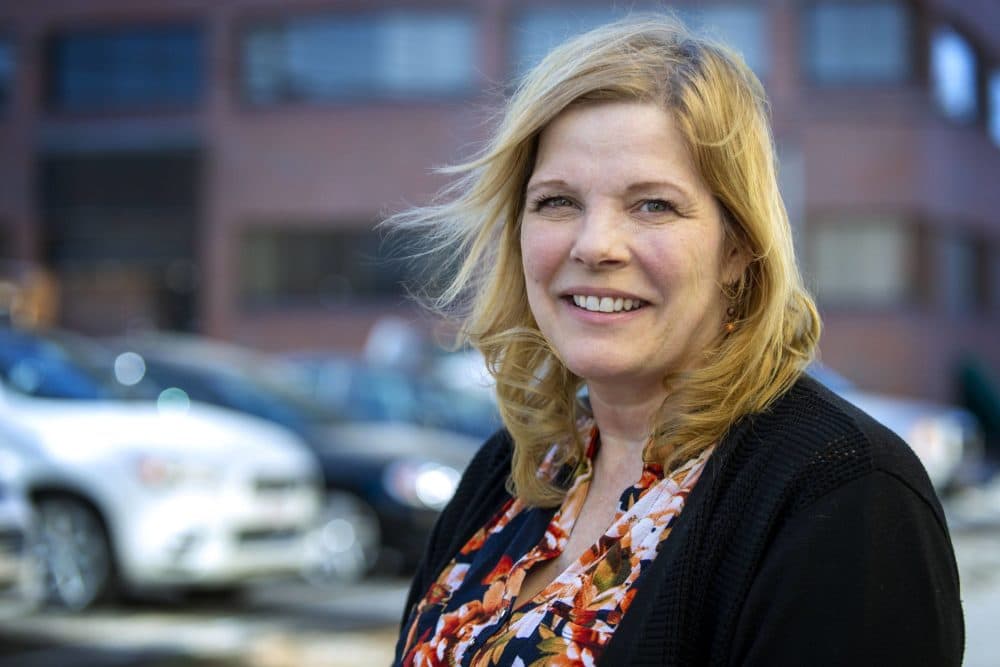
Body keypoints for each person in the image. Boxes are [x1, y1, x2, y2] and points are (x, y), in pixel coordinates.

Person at [389, 16, 963, 666]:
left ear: (738, 243)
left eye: (653, 205)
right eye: (556, 201)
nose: (595, 244)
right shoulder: (515, 466)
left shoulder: (845, 492)